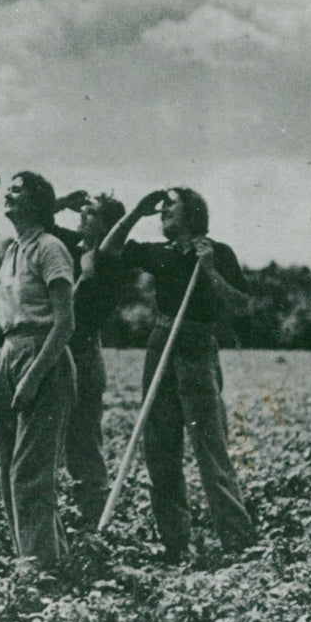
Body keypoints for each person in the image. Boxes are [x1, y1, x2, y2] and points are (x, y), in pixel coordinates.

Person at [102, 186, 255, 564]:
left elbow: (240, 305)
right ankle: (174, 543)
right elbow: (108, 251)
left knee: (210, 449)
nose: (163, 212)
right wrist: (137, 210)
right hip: (160, 345)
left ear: (192, 214)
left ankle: (237, 542)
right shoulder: (162, 254)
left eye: (171, 206)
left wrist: (209, 272)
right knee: (159, 447)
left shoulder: (218, 253)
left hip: (196, 347)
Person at [0, 172, 76, 575]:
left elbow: (65, 323)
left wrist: (34, 376)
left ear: (37, 203)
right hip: (8, 352)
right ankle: (46, 557)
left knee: (29, 473)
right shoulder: (11, 250)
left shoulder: (50, 249)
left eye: (18, 191)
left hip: (42, 355)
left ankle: (38, 571)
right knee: (7, 470)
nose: (10, 197)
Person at [51, 190, 127, 527]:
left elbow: (80, 309)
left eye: (92, 213)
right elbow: (36, 224)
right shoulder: (67, 244)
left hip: (81, 352)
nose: (82, 216)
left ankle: (91, 517)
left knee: (82, 440)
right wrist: (59, 203)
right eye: (82, 211)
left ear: (108, 225)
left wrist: (85, 271)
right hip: (50, 346)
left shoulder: (110, 262)